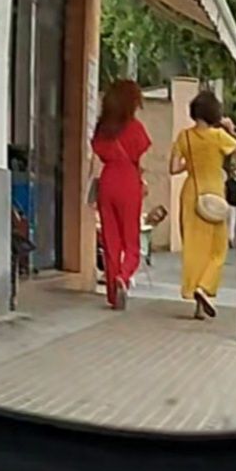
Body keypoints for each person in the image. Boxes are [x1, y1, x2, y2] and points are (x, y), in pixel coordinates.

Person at [170, 90, 236, 319]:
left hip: (191, 194)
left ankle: (196, 296)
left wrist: (191, 164)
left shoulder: (184, 137)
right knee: (217, 249)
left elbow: (173, 168)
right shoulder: (218, 137)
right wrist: (232, 131)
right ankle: (204, 288)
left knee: (194, 248)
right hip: (214, 194)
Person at [90, 80, 151, 310]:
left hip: (108, 180)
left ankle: (113, 295)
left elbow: (96, 155)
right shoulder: (135, 128)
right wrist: (142, 181)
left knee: (111, 240)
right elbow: (140, 160)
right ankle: (123, 277)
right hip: (128, 180)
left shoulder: (101, 128)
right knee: (131, 240)